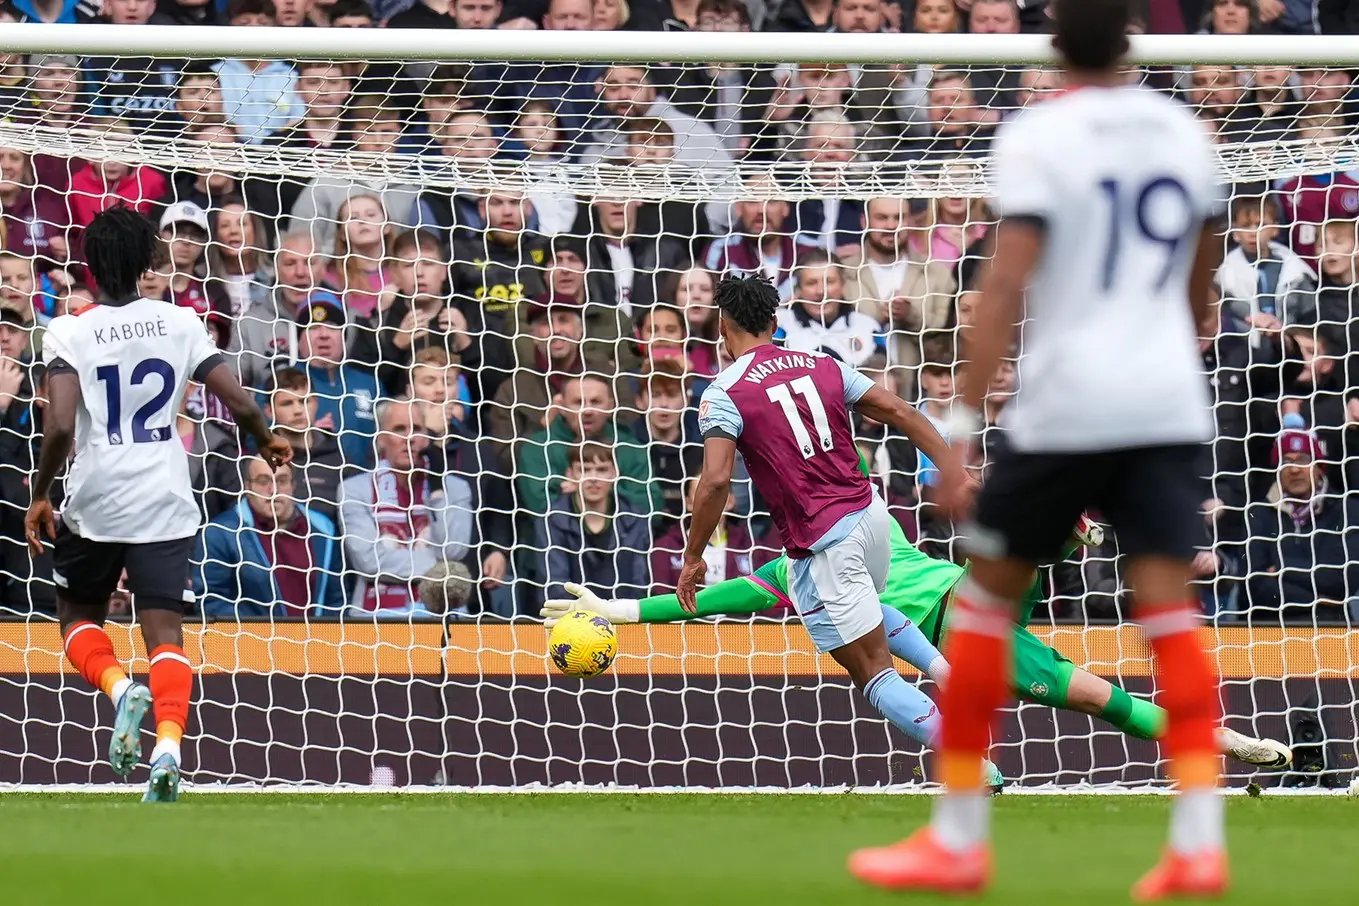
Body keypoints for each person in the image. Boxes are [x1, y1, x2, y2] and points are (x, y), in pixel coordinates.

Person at [855, 0, 1231, 896]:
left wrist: (958, 433)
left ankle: (956, 836)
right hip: (1164, 403)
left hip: (1066, 407)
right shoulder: (1184, 132)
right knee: (1169, 617)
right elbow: (1201, 276)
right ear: (1133, 41)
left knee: (983, 608)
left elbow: (1001, 286)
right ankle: (1198, 844)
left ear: (1055, 44)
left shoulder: (1039, 136)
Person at [545, 463, 1290, 769]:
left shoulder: (799, 560)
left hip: (959, 617)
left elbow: (702, 601)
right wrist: (613, 605)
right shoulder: (874, 525)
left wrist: (614, 608)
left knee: (1085, 683)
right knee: (1105, 700)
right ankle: (1224, 740)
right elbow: (704, 600)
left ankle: (1054, 527)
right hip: (975, 622)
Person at [681, 273, 997, 799]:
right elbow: (899, 411)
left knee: (870, 671)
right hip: (870, 518)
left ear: (722, 325)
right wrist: (954, 470)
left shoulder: (723, 392)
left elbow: (715, 479)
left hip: (827, 538)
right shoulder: (823, 364)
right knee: (851, 611)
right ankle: (948, 671)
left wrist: (693, 555)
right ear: (775, 322)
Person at [23, 207, 291, 803]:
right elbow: (237, 401)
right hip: (166, 495)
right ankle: (168, 748)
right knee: (165, 632)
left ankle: (121, 692)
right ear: (150, 260)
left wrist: (41, 493)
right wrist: (267, 437)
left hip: (97, 498)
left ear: (90, 266)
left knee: (76, 616)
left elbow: (61, 424)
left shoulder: (69, 329)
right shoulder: (180, 321)